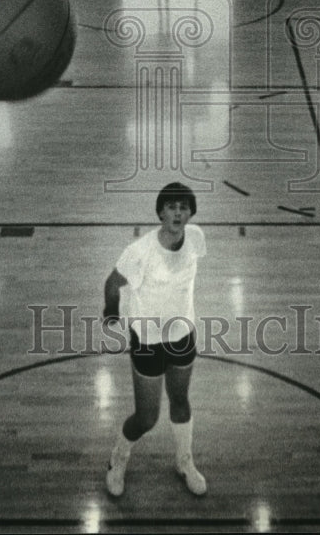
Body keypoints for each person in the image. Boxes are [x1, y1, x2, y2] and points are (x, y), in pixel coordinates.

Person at [103, 182, 206, 498]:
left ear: (190, 212)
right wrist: (111, 312)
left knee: (181, 403)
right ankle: (118, 458)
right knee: (147, 417)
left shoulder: (197, 238)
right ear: (161, 212)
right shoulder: (140, 252)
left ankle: (184, 462)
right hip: (147, 341)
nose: (178, 212)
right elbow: (111, 283)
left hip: (182, 336)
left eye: (184, 207)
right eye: (172, 206)